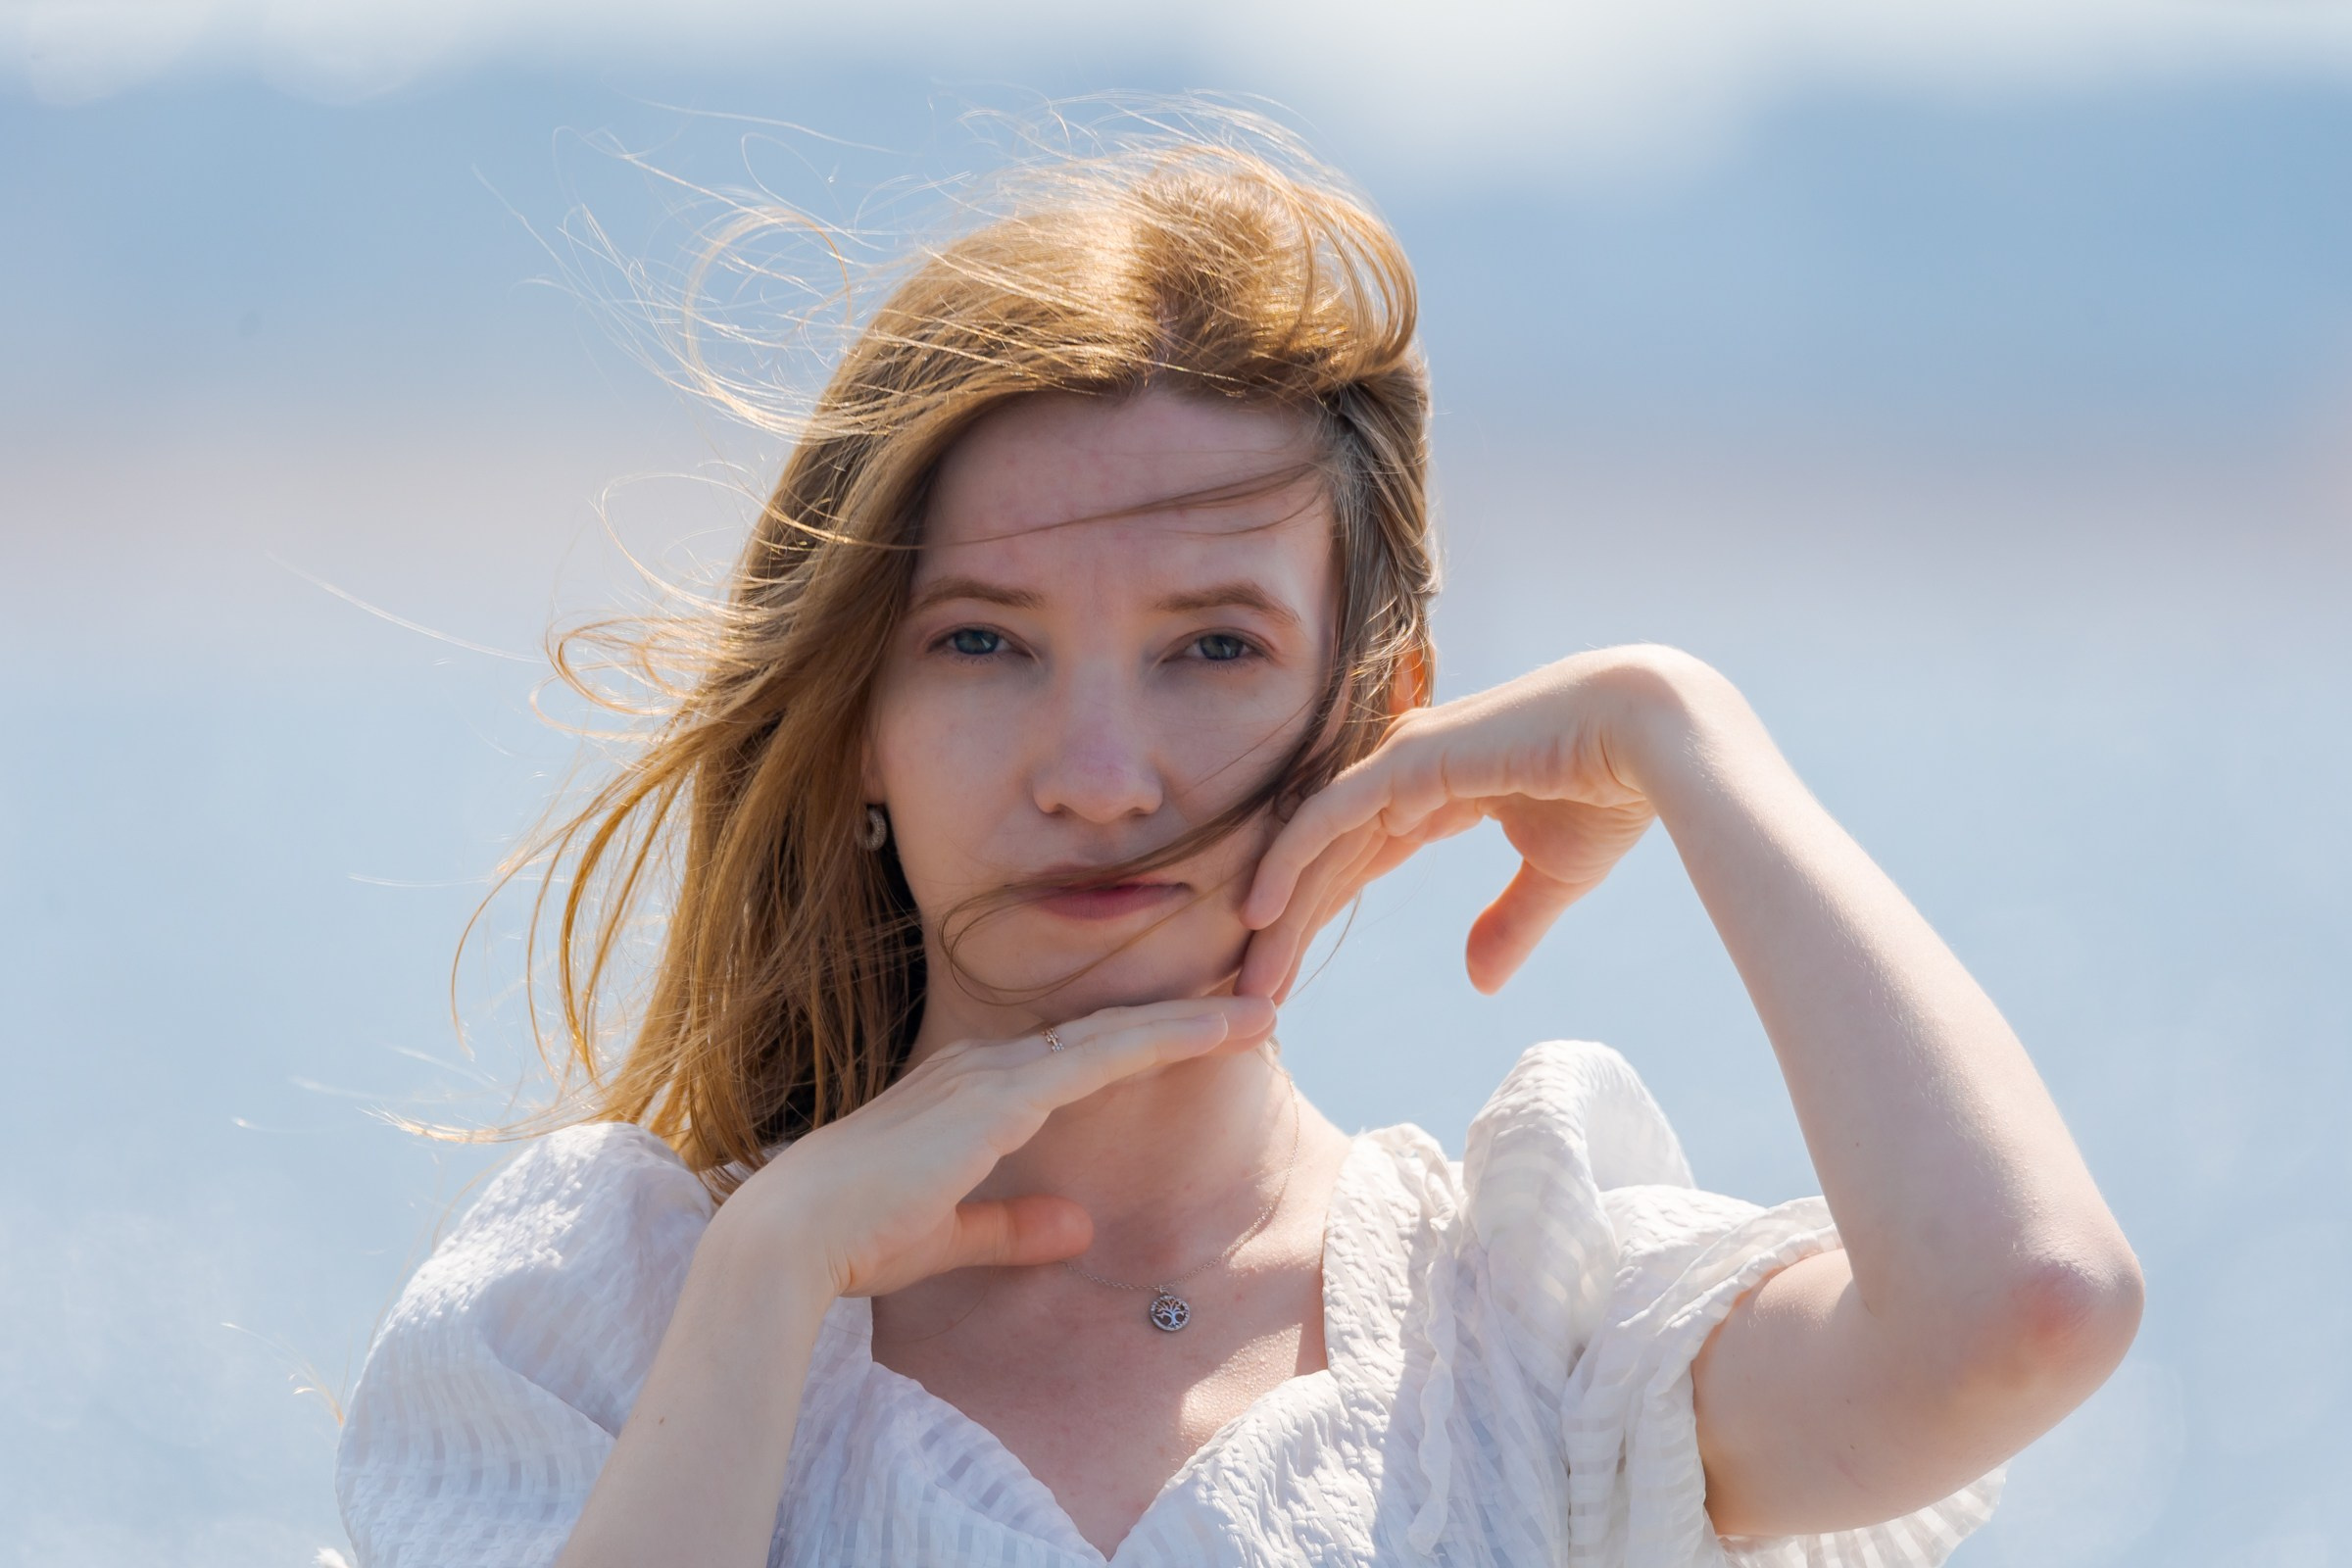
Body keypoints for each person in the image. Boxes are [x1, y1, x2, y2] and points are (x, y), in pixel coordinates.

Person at [333, 135, 2141, 1567]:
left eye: (1216, 646)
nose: (1102, 775)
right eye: (984, 641)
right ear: (856, 721)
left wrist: (1681, 731)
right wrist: (768, 1275)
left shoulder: (1526, 1334)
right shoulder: (608, 1314)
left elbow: (2027, 1308)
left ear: (1377, 711)